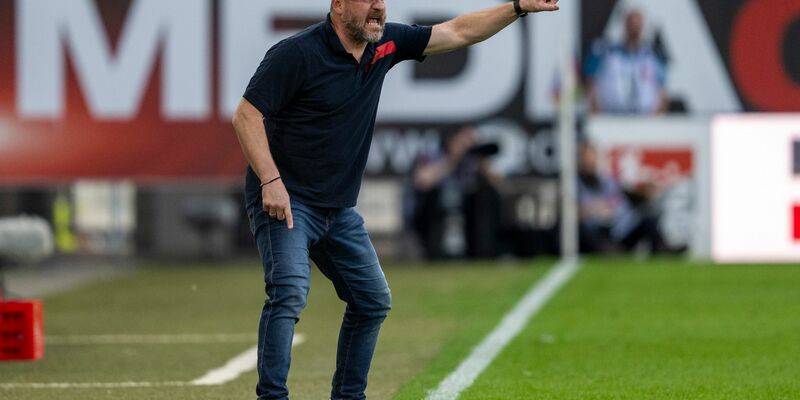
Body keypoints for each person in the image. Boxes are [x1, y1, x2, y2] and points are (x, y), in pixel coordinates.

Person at [230, 1, 561, 399]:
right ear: (338, 6)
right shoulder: (296, 53)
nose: (379, 7)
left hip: (336, 209)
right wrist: (271, 180)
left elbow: (458, 32)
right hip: (286, 200)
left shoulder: (385, 43)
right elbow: (247, 115)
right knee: (289, 292)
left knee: (372, 300)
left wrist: (517, 6)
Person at [409, 126, 503, 259]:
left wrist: (481, 160)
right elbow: (423, 181)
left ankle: (485, 253)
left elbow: (499, 182)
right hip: (433, 214)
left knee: (486, 197)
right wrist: (453, 159)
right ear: (451, 141)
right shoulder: (434, 154)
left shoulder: (474, 159)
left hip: (469, 211)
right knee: (435, 197)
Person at [577, 141, 664, 254]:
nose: (590, 162)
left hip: (623, 228)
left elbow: (626, 194)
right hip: (599, 231)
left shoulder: (607, 180)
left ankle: (662, 251)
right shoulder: (575, 184)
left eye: (592, 157)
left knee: (649, 220)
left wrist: (645, 192)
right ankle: (612, 251)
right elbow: (570, 214)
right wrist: (591, 209)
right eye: (586, 158)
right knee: (591, 234)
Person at [584, 9, 668, 114]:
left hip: (645, 120)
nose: (634, 27)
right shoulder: (606, 53)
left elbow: (662, 92)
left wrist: (656, 121)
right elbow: (591, 84)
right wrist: (598, 116)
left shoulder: (653, 57)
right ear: (623, 25)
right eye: (631, 23)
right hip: (610, 119)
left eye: (638, 23)